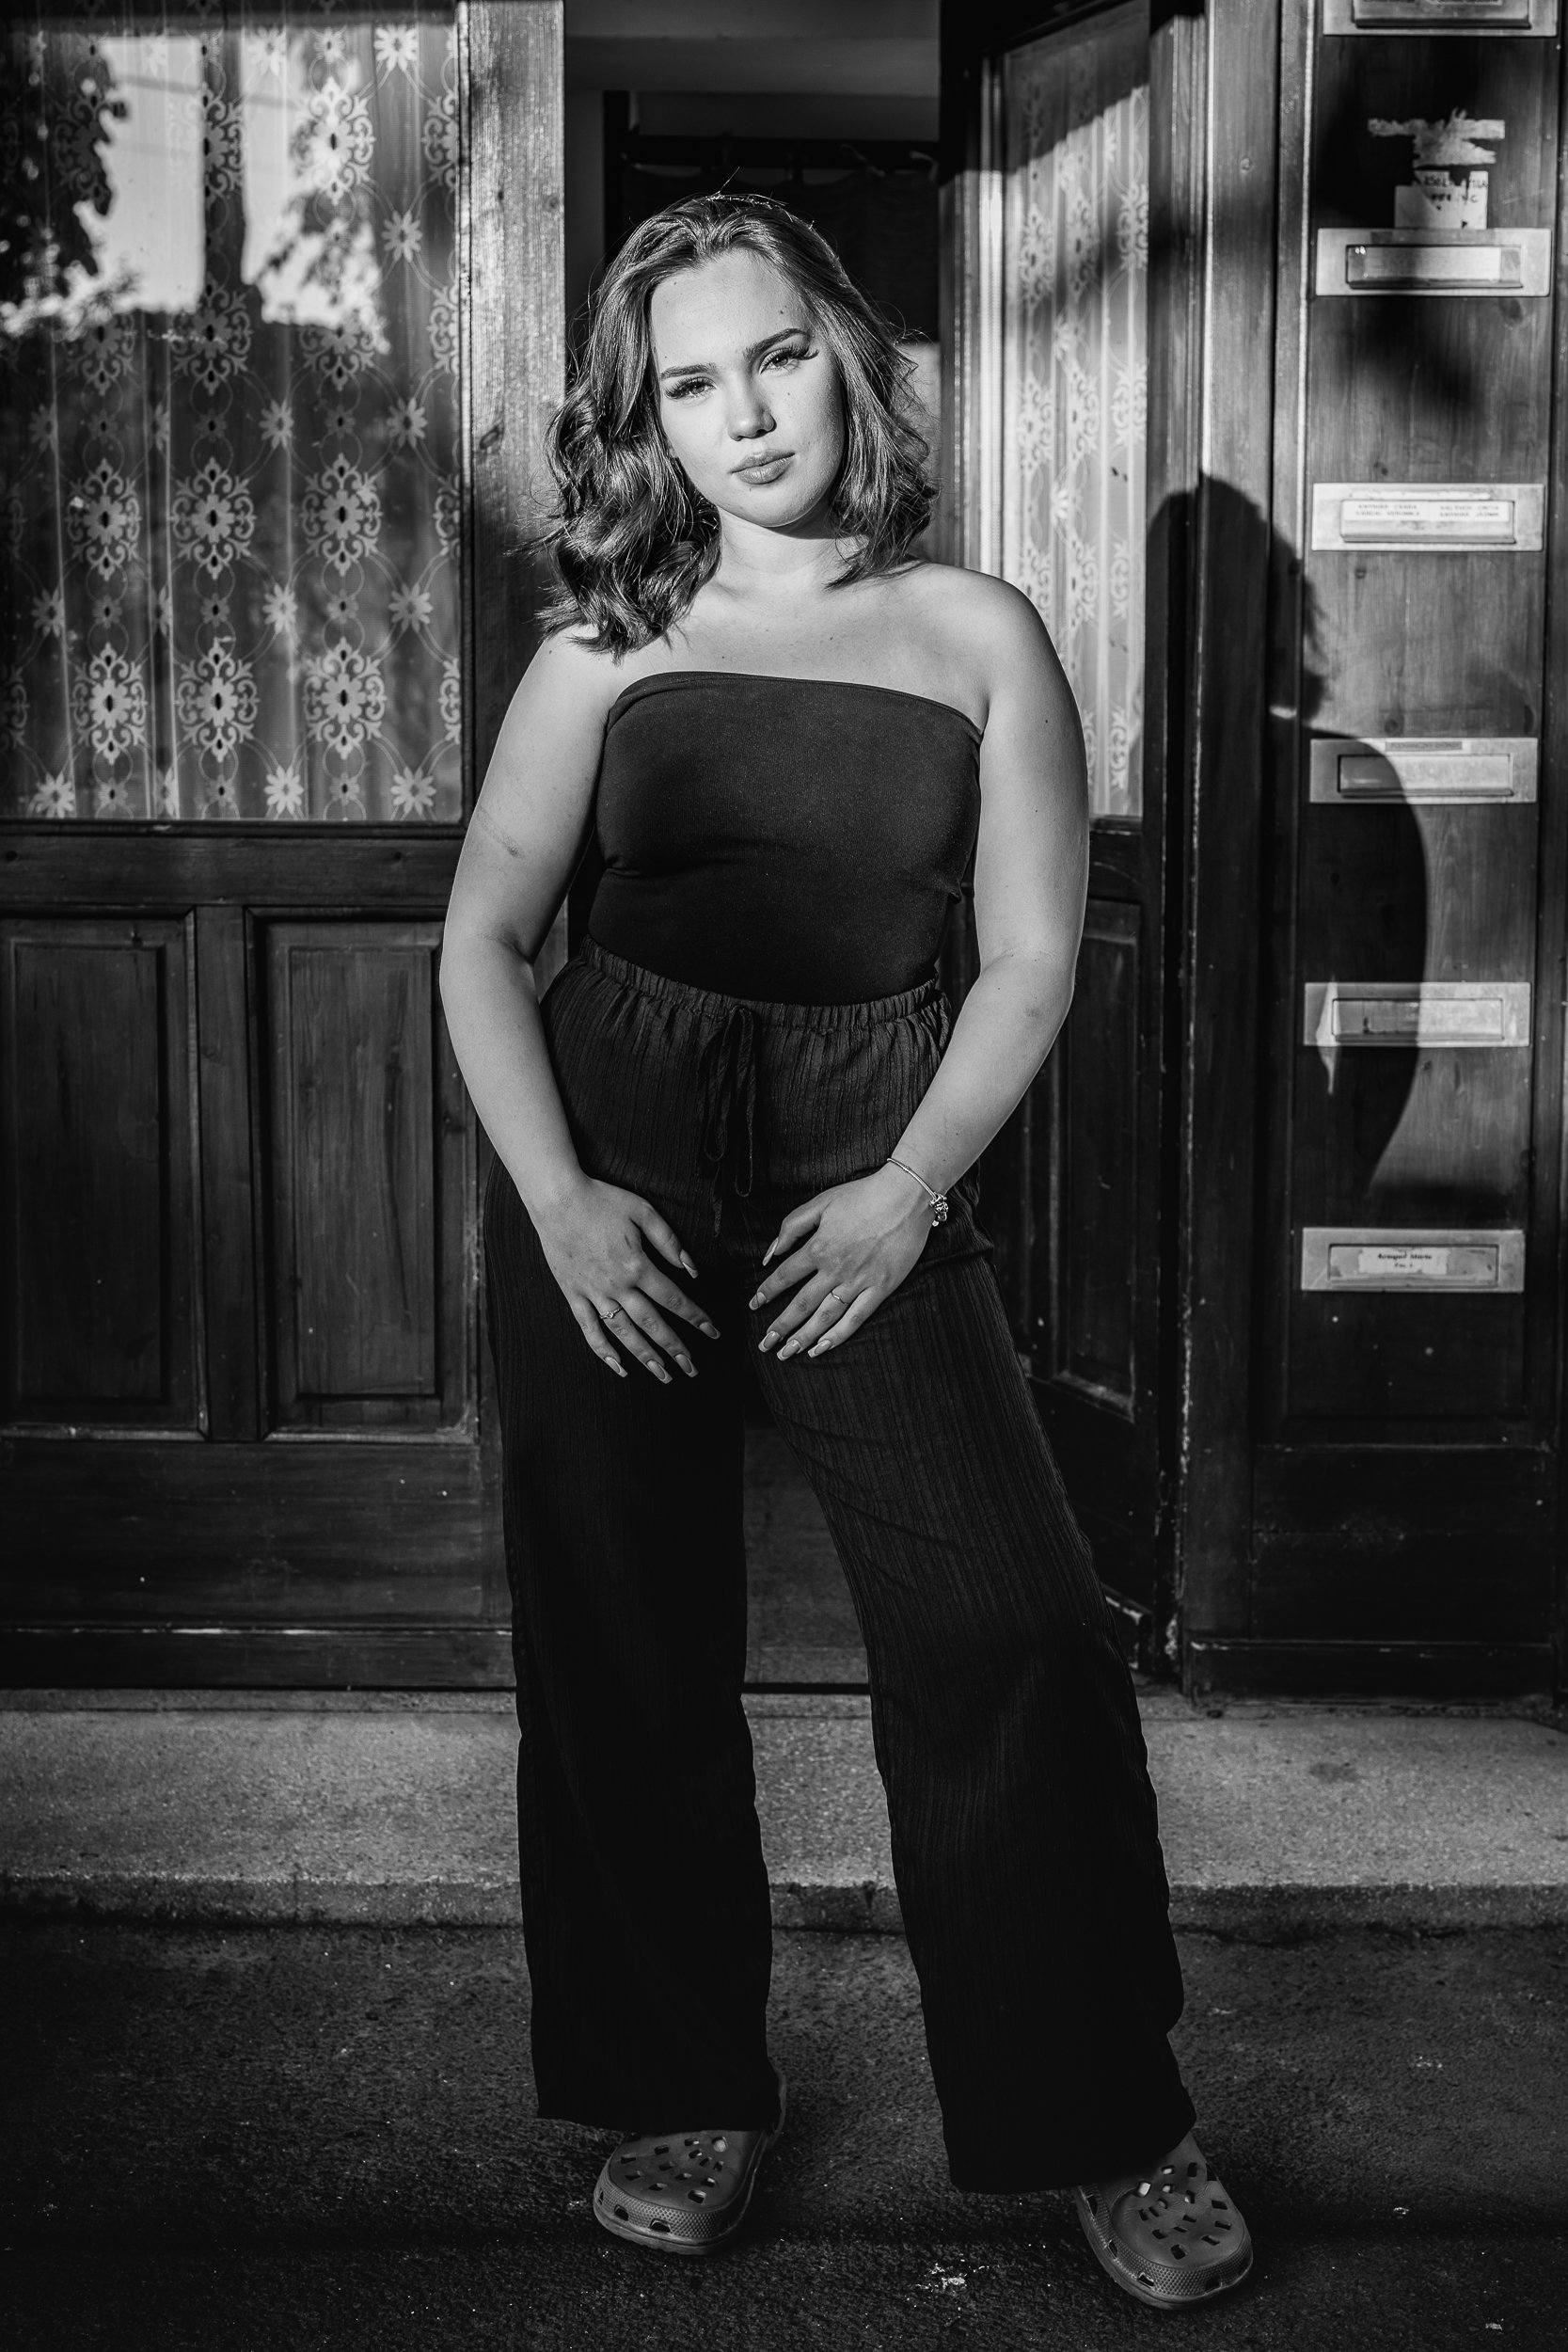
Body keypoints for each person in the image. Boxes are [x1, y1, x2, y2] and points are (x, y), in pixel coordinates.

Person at [439, 193, 1252, 2311]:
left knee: (1019, 1630)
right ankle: (678, 2081)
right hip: (609, 1164)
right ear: (651, 425)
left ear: (847, 355)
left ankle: (1106, 2110)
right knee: (621, 1645)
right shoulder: (605, 647)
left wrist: (910, 1191)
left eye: (774, 356)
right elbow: (483, 939)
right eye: (690, 384)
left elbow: (1034, 956)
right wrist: (559, 1197)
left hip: (869, 1169)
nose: (745, 416)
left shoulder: (975, 629)